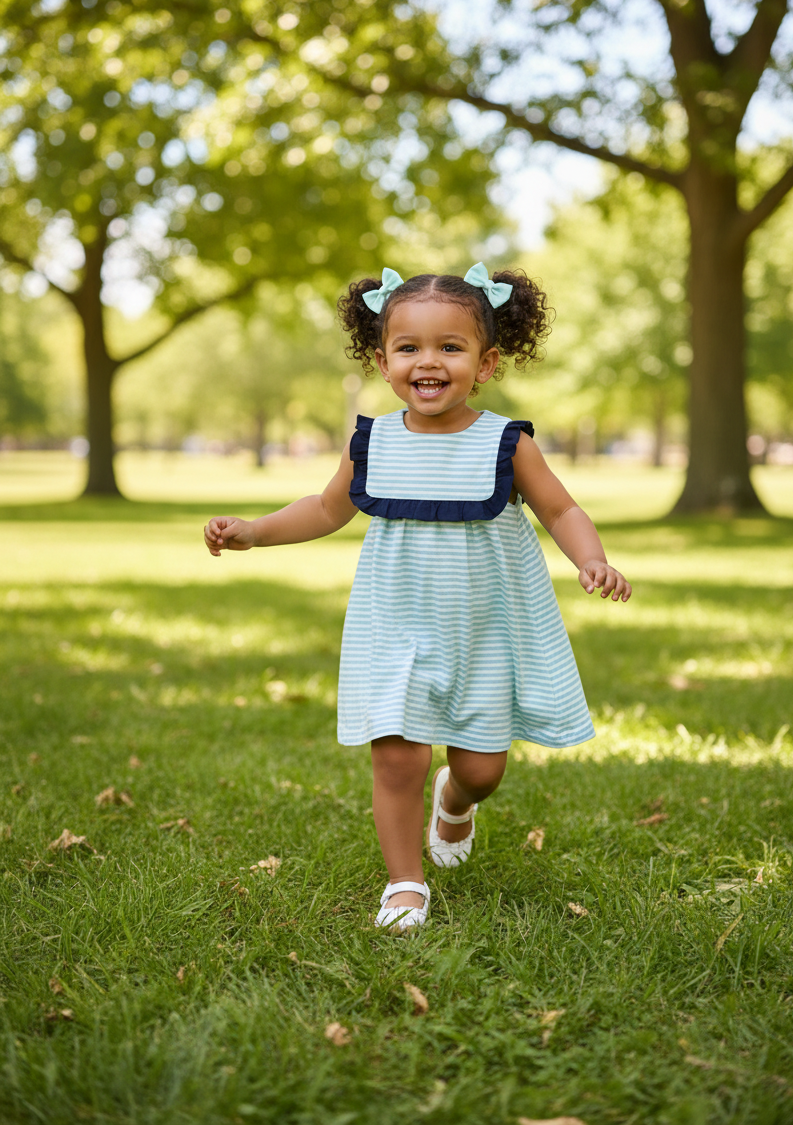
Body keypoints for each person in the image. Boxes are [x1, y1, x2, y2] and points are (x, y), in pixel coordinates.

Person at [204, 263, 631, 934]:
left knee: (483, 769)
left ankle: (456, 803)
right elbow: (323, 510)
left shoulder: (506, 443)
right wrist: (254, 533)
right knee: (397, 754)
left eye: (450, 348)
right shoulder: (372, 442)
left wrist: (592, 558)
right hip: (395, 625)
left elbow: (561, 507)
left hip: (482, 631)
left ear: (486, 363)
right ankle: (405, 882)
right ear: (382, 360)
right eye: (409, 348)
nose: (427, 362)